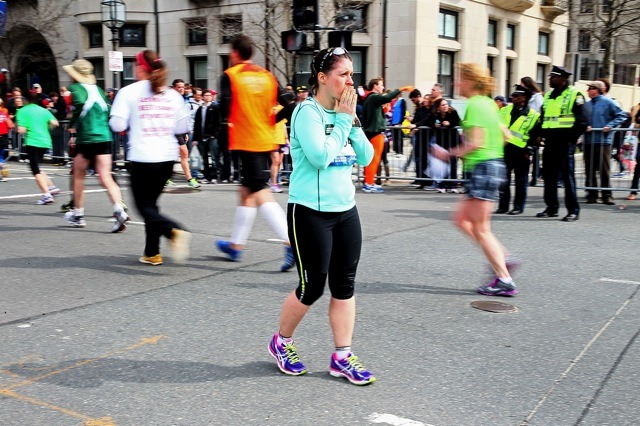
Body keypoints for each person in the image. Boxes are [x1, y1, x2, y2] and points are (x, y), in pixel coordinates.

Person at [268, 46, 376, 385]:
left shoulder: (344, 113)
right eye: (343, 74)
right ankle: (281, 341)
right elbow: (319, 158)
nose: (350, 81)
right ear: (322, 78)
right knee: (312, 286)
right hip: (310, 212)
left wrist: (352, 123)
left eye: (351, 74)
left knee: (344, 285)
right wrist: (344, 120)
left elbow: (367, 155)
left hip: (346, 210)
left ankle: (342, 355)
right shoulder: (306, 112)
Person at [215, 35, 294, 272]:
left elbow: (226, 107)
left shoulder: (231, 76)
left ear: (235, 53)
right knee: (246, 191)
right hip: (264, 138)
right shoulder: (266, 75)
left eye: (230, 52)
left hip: (246, 139)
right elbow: (288, 104)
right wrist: (272, 119)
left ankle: (291, 242)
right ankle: (236, 245)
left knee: (260, 192)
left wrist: (222, 126)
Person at [109, 49, 191, 265]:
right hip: (166, 158)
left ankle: (172, 230)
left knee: (142, 206)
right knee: (151, 205)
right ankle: (152, 253)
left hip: (143, 156)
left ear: (140, 68)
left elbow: (117, 124)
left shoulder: (128, 92)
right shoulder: (172, 94)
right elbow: (183, 126)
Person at [442, 63, 518, 297]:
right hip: (489, 166)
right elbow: (507, 135)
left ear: (471, 81)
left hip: (483, 167)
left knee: (481, 229)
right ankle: (504, 260)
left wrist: (449, 153)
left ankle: (504, 279)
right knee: (461, 220)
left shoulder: (474, 104)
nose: (456, 84)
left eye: (459, 79)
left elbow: (476, 142)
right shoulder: (488, 103)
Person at [62, 59, 129, 230]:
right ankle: (119, 210)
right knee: (105, 175)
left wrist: (72, 126)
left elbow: (77, 108)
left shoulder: (75, 89)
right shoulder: (99, 90)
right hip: (104, 136)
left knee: (78, 174)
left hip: (87, 137)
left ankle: (78, 214)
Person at [535, 65, 587, 222]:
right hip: (550, 141)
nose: (550, 79)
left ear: (563, 79)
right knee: (549, 176)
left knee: (567, 176)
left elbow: (582, 120)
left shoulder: (575, 94)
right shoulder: (549, 96)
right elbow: (543, 117)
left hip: (565, 142)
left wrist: (571, 139)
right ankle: (551, 207)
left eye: (553, 77)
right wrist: (540, 134)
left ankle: (573, 210)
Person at [361, 77, 412, 193]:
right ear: (375, 86)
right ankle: (369, 183)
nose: (383, 87)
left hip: (371, 132)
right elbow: (388, 97)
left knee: (372, 159)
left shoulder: (369, 98)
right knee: (374, 160)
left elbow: (373, 114)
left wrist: (383, 111)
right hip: (375, 132)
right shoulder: (373, 97)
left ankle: (369, 182)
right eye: (381, 85)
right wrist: (401, 89)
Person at [495, 84, 540, 215]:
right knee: (503, 179)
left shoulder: (533, 115)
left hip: (521, 151)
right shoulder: (504, 110)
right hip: (504, 148)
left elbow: (535, 136)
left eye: (516, 96)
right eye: (513, 95)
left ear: (524, 98)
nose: (512, 98)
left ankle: (518, 207)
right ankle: (503, 206)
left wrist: (529, 150)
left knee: (521, 180)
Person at [582, 80, 627, 205]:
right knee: (589, 170)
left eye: (591, 88)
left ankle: (607, 195)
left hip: (603, 141)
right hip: (589, 141)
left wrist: (610, 125)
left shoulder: (608, 102)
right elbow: (582, 119)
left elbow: (621, 115)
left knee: (603, 170)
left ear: (598, 90)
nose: (588, 91)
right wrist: (585, 126)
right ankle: (592, 194)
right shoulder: (587, 105)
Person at [16, 90, 61, 204]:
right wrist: (47, 127)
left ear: (25, 100)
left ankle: (46, 195)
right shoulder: (43, 110)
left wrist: (18, 128)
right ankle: (51, 187)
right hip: (45, 141)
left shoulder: (22, 111)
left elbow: (22, 130)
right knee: (37, 166)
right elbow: (55, 123)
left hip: (33, 141)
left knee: (35, 170)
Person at [166, 79, 201, 189]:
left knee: (180, 154)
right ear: (174, 88)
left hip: (179, 130)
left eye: (182, 87)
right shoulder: (171, 100)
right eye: (179, 87)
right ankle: (189, 179)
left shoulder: (182, 100)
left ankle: (168, 178)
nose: (181, 89)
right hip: (172, 130)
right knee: (183, 153)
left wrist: (185, 131)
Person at [427, 98, 461, 192]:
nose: (445, 106)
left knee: (453, 163)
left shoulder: (453, 112)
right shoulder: (435, 114)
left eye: (446, 104)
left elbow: (457, 121)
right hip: (441, 142)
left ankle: (453, 185)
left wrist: (449, 123)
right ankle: (442, 185)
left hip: (453, 141)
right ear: (438, 107)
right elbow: (428, 122)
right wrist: (434, 125)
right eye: (443, 105)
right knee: (443, 164)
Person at [192, 89, 220, 184]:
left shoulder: (215, 107)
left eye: (209, 95)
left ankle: (214, 176)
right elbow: (196, 124)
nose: (208, 97)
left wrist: (214, 135)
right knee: (204, 158)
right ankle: (207, 176)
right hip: (201, 137)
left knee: (214, 158)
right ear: (202, 97)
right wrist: (195, 139)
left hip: (212, 137)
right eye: (206, 95)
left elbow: (218, 123)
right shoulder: (200, 109)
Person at [0, 98, 15, 181]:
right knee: (1, 156)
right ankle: (4, 174)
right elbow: (11, 125)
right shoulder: (5, 115)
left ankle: (3, 172)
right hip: (4, 138)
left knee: (0, 158)